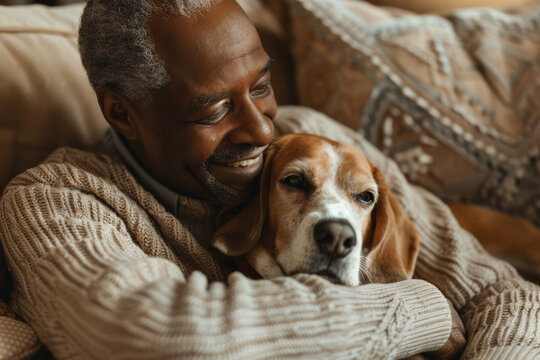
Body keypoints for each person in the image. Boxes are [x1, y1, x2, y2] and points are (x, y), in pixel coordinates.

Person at [0, 0, 537, 358]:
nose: (261, 130)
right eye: (212, 108)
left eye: (261, 86)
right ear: (123, 114)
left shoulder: (314, 138)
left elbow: (506, 295)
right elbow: (161, 334)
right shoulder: (55, 202)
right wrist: (414, 308)